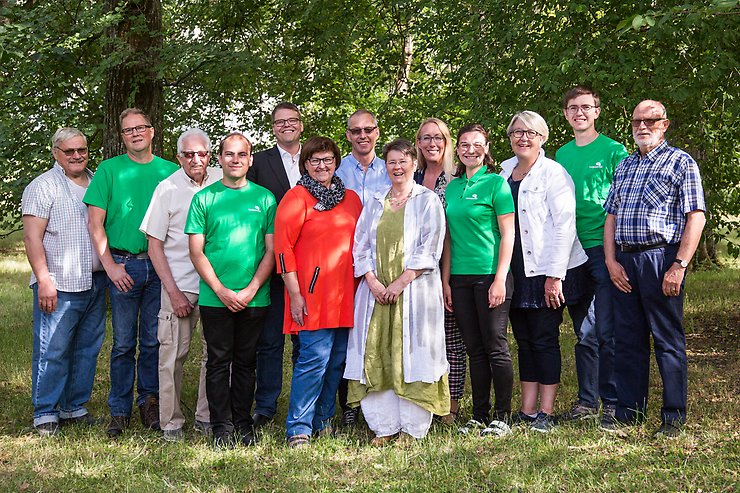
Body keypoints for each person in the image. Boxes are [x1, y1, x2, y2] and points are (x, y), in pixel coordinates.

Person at [603, 100, 705, 437]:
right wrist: (611, 260)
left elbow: (696, 216)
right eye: (637, 121)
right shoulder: (625, 165)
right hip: (625, 261)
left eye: (651, 120)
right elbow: (611, 216)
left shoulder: (681, 162)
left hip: (661, 260)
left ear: (665, 124)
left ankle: (673, 417)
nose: (642, 126)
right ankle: (629, 413)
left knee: (667, 340)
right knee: (627, 340)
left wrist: (679, 265)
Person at [345, 139, 448, 444]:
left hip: (414, 291)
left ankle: (413, 427)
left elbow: (431, 246)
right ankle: (385, 426)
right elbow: (360, 245)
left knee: (412, 352)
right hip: (376, 293)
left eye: (403, 161)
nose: (397, 167)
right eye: (391, 162)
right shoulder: (376, 201)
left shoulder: (427, 200)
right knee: (378, 350)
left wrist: (400, 283)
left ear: (415, 164)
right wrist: (373, 282)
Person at [84, 108, 179, 437]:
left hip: (160, 266)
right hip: (124, 265)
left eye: (141, 128)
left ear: (152, 132)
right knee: (123, 343)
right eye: (128, 130)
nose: (135, 133)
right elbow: (95, 223)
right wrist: (110, 266)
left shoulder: (170, 171)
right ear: (122, 136)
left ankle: (149, 402)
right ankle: (119, 408)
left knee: (153, 341)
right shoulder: (109, 170)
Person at [186, 132, 276, 448]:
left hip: (255, 297)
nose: (235, 159)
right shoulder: (204, 199)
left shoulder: (265, 199)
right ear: (219, 159)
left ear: (250, 160)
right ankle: (221, 426)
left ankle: (243, 423)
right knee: (218, 362)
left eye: (242, 154)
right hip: (215, 298)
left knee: (246, 362)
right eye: (229, 154)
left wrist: (251, 289)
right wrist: (221, 290)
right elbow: (196, 252)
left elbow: (271, 251)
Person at [499, 111, 588, 433]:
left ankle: (546, 412)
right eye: (517, 132)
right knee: (523, 340)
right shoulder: (504, 172)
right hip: (515, 269)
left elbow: (564, 226)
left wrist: (555, 276)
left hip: (547, 269)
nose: (523, 138)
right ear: (510, 137)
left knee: (544, 339)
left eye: (531, 133)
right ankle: (527, 409)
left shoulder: (554, 173)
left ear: (542, 138)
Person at [274, 136, 362, 447]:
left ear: (336, 162)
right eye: (315, 160)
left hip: (346, 294)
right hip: (311, 295)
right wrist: (295, 294)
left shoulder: (351, 199)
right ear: (306, 164)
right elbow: (282, 249)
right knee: (313, 361)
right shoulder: (296, 197)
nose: (322, 165)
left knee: (337, 362)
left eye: (327, 159)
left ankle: (323, 421)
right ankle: (298, 427)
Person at [22, 128, 107, 437]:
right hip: (59, 282)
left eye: (81, 149)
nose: (76, 156)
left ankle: (73, 407)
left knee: (87, 348)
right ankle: (45, 411)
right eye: (69, 151)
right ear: (56, 153)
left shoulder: (96, 180)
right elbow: (31, 238)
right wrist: (44, 279)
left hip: (95, 280)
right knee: (53, 348)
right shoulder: (42, 186)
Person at [139, 128, 223, 441]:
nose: (195, 159)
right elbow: (154, 246)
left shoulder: (223, 181)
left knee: (214, 355)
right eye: (188, 154)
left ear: (210, 155)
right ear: (179, 157)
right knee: (172, 356)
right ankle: (171, 423)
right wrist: (173, 293)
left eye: (201, 153)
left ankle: (206, 416)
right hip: (180, 285)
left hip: (216, 286)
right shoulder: (167, 189)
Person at [555, 86, 629, 427]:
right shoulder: (561, 154)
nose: (579, 113)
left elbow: (624, 199)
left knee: (603, 327)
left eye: (586, 107)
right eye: (573, 107)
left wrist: (616, 252)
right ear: (566, 114)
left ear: (597, 112)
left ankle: (612, 401)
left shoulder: (614, 150)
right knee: (582, 328)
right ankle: (587, 401)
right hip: (571, 249)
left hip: (603, 248)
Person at [443, 124, 515, 436]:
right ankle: (480, 415)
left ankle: (503, 416)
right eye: (464, 144)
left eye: (476, 144)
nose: (470, 150)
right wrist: (446, 281)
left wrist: (500, 279)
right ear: (457, 150)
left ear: (486, 148)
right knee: (474, 348)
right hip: (459, 278)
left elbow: (508, 234)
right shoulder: (452, 187)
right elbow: (448, 239)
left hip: (490, 275)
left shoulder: (496, 184)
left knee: (495, 346)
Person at [247, 102, 303, 430]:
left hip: (308, 266)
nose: (286, 126)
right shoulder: (259, 162)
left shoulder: (316, 159)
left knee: (304, 340)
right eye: (280, 122)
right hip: (271, 263)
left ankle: (302, 402)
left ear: (301, 124)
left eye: (292, 120)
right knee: (269, 341)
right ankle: (266, 405)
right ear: (273, 127)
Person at [335, 109, 391, 426]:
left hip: (383, 262)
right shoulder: (337, 171)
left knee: (379, 332)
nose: (362, 135)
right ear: (348, 135)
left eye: (368, 129)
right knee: (349, 334)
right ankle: (349, 404)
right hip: (344, 262)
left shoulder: (392, 168)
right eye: (355, 131)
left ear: (377, 132)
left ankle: (380, 400)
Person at [414, 118, 466, 425]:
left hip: (454, 266)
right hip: (417, 271)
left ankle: (451, 406)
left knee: (452, 338)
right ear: (418, 144)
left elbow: (451, 232)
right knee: (423, 337)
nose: (432, 143)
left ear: (447, 142)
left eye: (438, 138)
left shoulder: (458, 177)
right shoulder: (414, 176)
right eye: (425, 138)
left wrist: (446, 279)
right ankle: (424, 400)